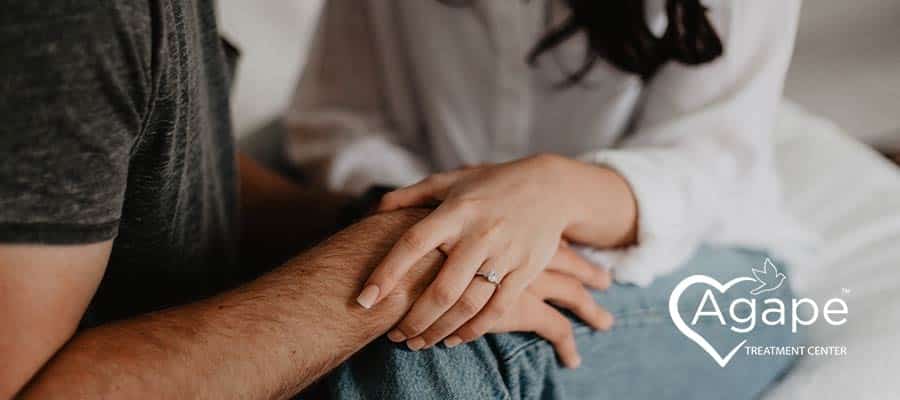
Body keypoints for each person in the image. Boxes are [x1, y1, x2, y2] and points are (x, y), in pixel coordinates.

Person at [0, 1, 605, 398]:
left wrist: (375, 219)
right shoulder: (66, 19)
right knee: (443, 353)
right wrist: (386, 265)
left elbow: (139, 157)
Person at [286, 0, 809, 397]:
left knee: (442, 342)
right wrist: (454, 224)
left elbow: (710, 162)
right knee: (416, 306)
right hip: (428, 209)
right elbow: (341, 120)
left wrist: (551, 192)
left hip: (707, 254)